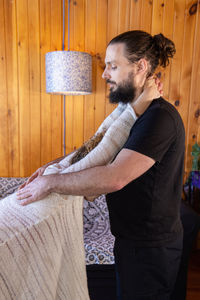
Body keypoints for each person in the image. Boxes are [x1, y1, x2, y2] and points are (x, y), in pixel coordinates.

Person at [17, 30, 185, 300]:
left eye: (113, 66)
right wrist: (52, 166)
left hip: (150, 248)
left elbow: (115, 176)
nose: (105, 74)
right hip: (130, 240)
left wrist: (50, 184)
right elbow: (94, 149)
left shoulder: (159, 119)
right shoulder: (130, 116)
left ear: (141, 66)